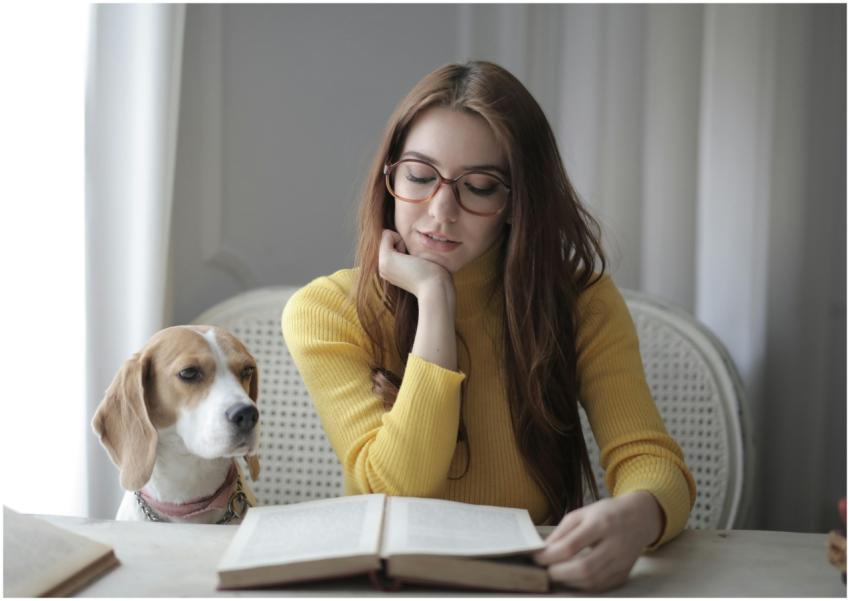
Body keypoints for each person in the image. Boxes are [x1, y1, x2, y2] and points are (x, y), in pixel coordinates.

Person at [282, 61, 695, 592]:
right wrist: (435, 298)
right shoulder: (327, 311)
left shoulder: (581, 303)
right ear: (390, 177)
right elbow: (392, 487)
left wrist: (639, 517)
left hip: (530, 582)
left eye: (479, 186)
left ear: (516, 202)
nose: (441, 210)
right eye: (419, 175)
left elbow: (649, 457)